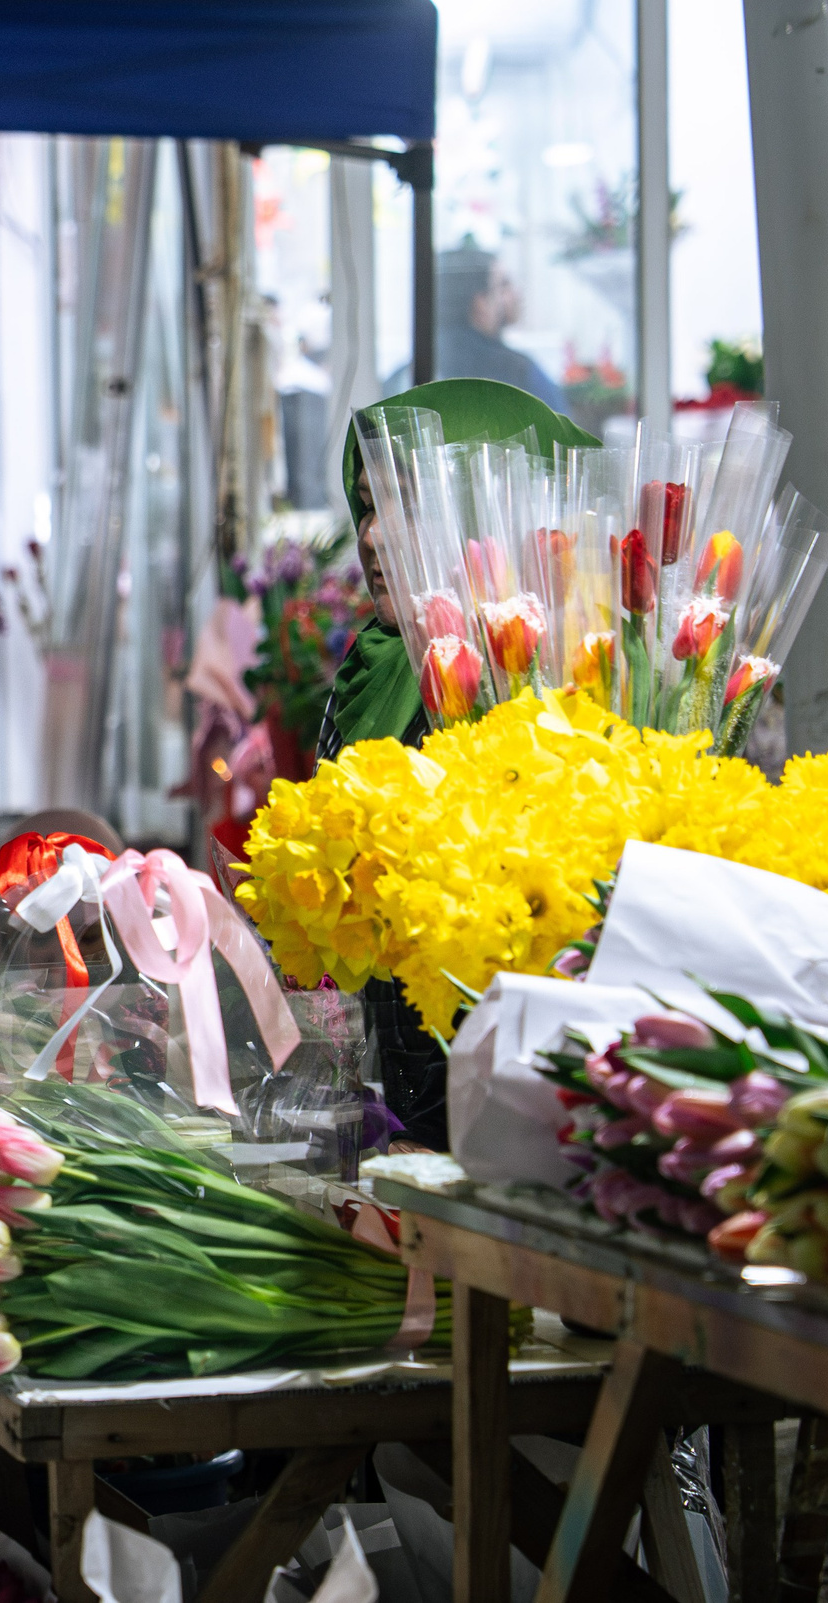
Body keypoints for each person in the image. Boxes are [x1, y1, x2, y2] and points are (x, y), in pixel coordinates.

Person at [322, 377, 595, 1150]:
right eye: (366, 505)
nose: (372, 535)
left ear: (485, 500)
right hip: (391, 1116)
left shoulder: (564, 692)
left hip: (519, 1119)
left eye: (405, 502)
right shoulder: (373, 676)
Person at [388, 244, 572, 415]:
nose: (517, 294)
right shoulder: (518, 372)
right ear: (480, 303)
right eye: (503, 285)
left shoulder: (407, 374)